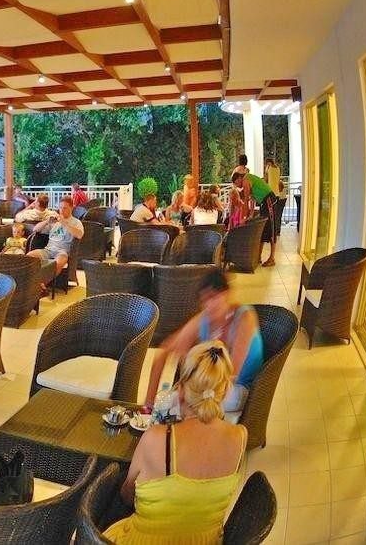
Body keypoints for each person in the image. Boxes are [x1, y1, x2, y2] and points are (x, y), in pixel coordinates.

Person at [105, 340, 247, 544]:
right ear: (224, 392)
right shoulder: (240, 436)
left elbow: (127, 495)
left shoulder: (157, 438)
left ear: (180, 391)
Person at [145, 269, 262, 415]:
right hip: (209, 386)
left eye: (213, 297)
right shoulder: (204, 318)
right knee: (167, 405)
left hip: (239, 389)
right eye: (204, 300)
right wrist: (149, 404)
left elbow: (232, 374)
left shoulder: (245, 318)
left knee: (184, 403)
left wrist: (191, 389)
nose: (209, 305)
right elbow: (163, 353)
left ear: (227, 294)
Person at [27, 196, 83, 278]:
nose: (62, 210)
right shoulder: (54, 222)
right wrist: (47, 221)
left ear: (71, 208)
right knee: (29, 256)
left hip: (62, 252)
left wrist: (64, 223)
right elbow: (35, 229)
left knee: (57, 263)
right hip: (48, 250)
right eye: (60, 208)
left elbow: (79, 235)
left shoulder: (76, 222)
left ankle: (43, 282)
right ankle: (33, 280)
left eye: (65, 208)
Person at [232, 171, 278, 266]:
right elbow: (252, 200)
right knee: (263, 229)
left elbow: (246, 200)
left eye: (237, 183)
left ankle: (272, 258)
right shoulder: (249, 180)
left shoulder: (245, 180)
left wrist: (244, 217)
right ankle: (258, 257)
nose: (238, 186)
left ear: (239, 178)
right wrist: (251, 215)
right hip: (263, 203)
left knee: (271, 229)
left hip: (268, 200)